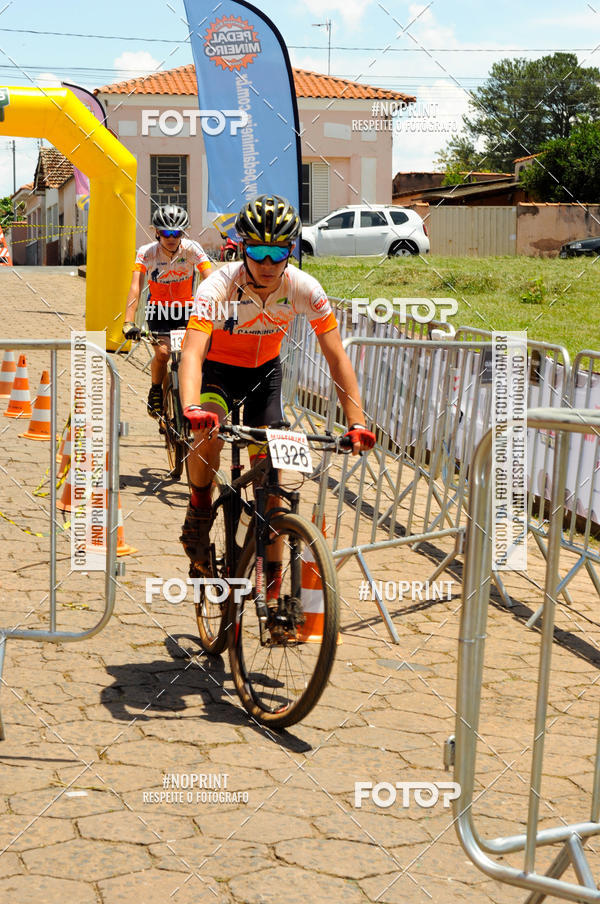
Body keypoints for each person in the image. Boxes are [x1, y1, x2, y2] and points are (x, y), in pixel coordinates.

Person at [178, 193, 375, 577]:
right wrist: (190, 407)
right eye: (258, 251)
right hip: (218, 372)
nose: (268, 263)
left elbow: (337, 357)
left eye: (278, 251)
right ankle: (199, 506)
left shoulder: (305, 287)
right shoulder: (217, 287)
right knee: (208, 433)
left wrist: (356, 422)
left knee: (276, 487)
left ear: (291, 250)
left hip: (264, 377)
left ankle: (275, 596)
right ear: (242, 249)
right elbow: (192, 353)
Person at [122, 204, 213, 418]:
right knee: (163, 354)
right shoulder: (147, 253)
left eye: (176, 233)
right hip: (158, 311)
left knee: (193, 356)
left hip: (187, 309)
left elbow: (211, 279)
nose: (171, 237)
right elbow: (135, 287)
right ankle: (156, 389)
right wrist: (128, 320)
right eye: (165, 233)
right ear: (156, 232)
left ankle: (192, 400)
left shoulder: (192, 249)